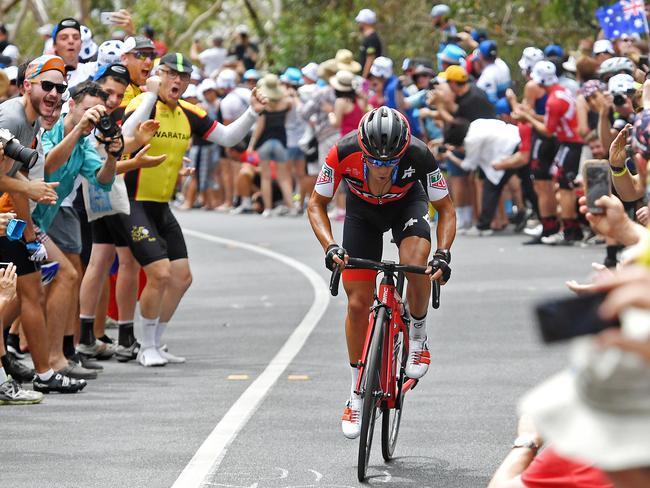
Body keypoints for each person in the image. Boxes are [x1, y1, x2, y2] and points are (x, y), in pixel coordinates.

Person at [307, 107, 456, 439]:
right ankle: (356, 392)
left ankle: (417, 332)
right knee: (358, 304)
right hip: (362, 215)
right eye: (374, 160)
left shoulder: (420, 154)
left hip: (407, 206)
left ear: (403, 153)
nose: (381, 168)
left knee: (417, 262)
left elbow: (446, 209)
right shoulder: (342, 151)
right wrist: (330, 246)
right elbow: (316, 204)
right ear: (362, 149)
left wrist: (444, 254)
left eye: (390, 162)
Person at [119, 52, 267, 366]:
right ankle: (144, 346)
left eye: (184, 77)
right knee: (159, 273)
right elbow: (124, 135)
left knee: (182, 277)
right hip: (132, 201)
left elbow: (227, 137)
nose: (178, 81)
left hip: (161, 205)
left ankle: (157, 342)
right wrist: (149, 93)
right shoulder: (141, 104)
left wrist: (253, 113)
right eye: (171, 74)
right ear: (159, 74)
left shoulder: (189, 112)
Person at [0, 55, 87, 393]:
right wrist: (29, 189)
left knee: (27, 291)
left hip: (10, 218)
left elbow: (13, 172)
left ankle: (41, 372)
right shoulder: (11, 118)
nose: (54, 93)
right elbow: (13, 179)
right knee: (20, 292)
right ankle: (38, 372)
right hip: (4, 216)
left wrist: (29, 231)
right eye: (47, 85)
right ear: (27, 85)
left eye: (60, 88)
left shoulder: (31, 120)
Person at [516, 61, 584, 245]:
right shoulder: (562, 91)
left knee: (564, 186)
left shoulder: (553, 100)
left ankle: (569, 230)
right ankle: (567, 229)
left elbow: (547, 129)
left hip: (570, 143)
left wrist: (527, 116)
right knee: (561, 184)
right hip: (567, 142)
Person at [247, 74, 294, 216]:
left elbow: (259, 128)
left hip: (265, 143)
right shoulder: (286, 103)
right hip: (280, 142)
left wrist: (251, 145)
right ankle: (291, 206)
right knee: (284, 177)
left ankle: (268, 208)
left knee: (265, 177)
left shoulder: (264, 106)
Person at [355, 8, 382, 78]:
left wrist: (364, 79)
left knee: (364, 89)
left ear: (364, 22)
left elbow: (370, 59)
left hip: (369, 78)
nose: (358, 24)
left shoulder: (372, 39)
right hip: (365, 77)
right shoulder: (367, 38)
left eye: (359, 22)